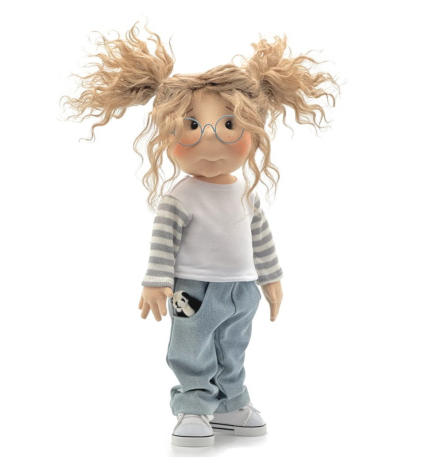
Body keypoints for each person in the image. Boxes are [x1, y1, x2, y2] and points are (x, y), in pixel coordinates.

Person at [63, 22, 339, 447]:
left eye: (229, 124)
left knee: (233, 346)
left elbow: (261, 237)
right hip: (192, 290)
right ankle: (193, 406)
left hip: (242, 289)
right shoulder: (181, 196)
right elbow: (163, 241)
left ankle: (230, 404)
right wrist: (156, 281)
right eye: (192, 125)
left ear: (253, 130)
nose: (210, 138)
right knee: (192, 347)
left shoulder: (245, 193)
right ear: (168, 133)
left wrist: (271, 278)